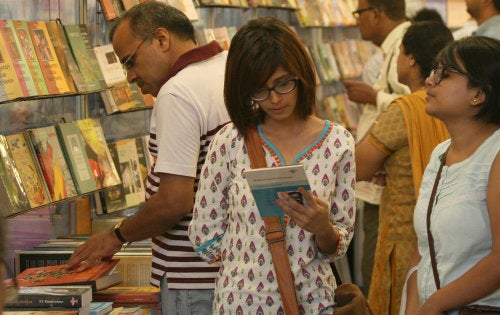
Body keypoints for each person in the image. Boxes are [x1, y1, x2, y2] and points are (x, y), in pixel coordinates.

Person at [66, 2, 230, 313]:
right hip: (235, 272)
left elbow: (174, 201)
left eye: (131, 61)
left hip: (192, 276)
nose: (130, 77)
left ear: (162, 39)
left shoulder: (177, 92)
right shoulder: (230, 69)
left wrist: (116, 236)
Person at [187, 17, 355, 314]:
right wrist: (250, 263)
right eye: (259, 90)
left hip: (313, 302)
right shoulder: (229, 142)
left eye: (283, 83)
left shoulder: (337, 144)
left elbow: (339, 243)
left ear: (301, 75)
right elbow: (204, 235)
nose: (274, 99)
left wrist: (322, 228)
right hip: (242, 304)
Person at [401, 36, 500, 314]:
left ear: (478, 93)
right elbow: (425, 246)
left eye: (444, 74)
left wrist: (434, 305)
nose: (430, 81)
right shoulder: (441, 153)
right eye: (434, 71)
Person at [355, 21, 452, 315]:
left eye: (399, 53)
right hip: (446, 233)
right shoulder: (454, 104)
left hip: (406, 233)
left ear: (410, 58)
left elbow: (357, 166)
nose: (396, 60)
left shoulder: (404, 109)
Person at [344, 0, 410, 296]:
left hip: (388, 175)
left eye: (359, 13)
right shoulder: (392, 47)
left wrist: (374, 96)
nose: (357, 20)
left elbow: (413, 103)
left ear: (377, 13)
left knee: (378, 264)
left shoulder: (402, 46)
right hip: (382, 171)